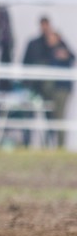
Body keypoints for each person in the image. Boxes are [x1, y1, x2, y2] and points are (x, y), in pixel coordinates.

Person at [22, 16, 75, 147]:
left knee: (57, 117)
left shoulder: (60, 45)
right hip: (42, 88)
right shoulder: (37, 44)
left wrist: (63, 53)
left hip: (59, 88)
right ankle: (45, 144)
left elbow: (71, 57)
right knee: (47, 117)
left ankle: (58, 145)